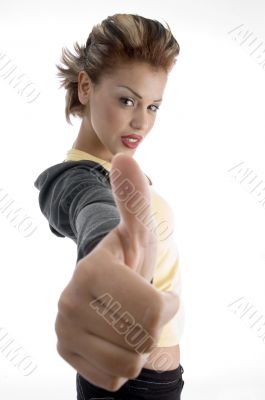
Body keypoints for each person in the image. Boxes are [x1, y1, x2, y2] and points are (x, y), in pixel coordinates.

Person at [34, 13, 185, 399]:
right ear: (85, 86)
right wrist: (108, 254)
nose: (141, 122)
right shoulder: (76, 179)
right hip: (126, 385)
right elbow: (93, 210)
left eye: (153, 107)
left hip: (160, 382)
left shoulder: (122, 171)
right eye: (127, 100)